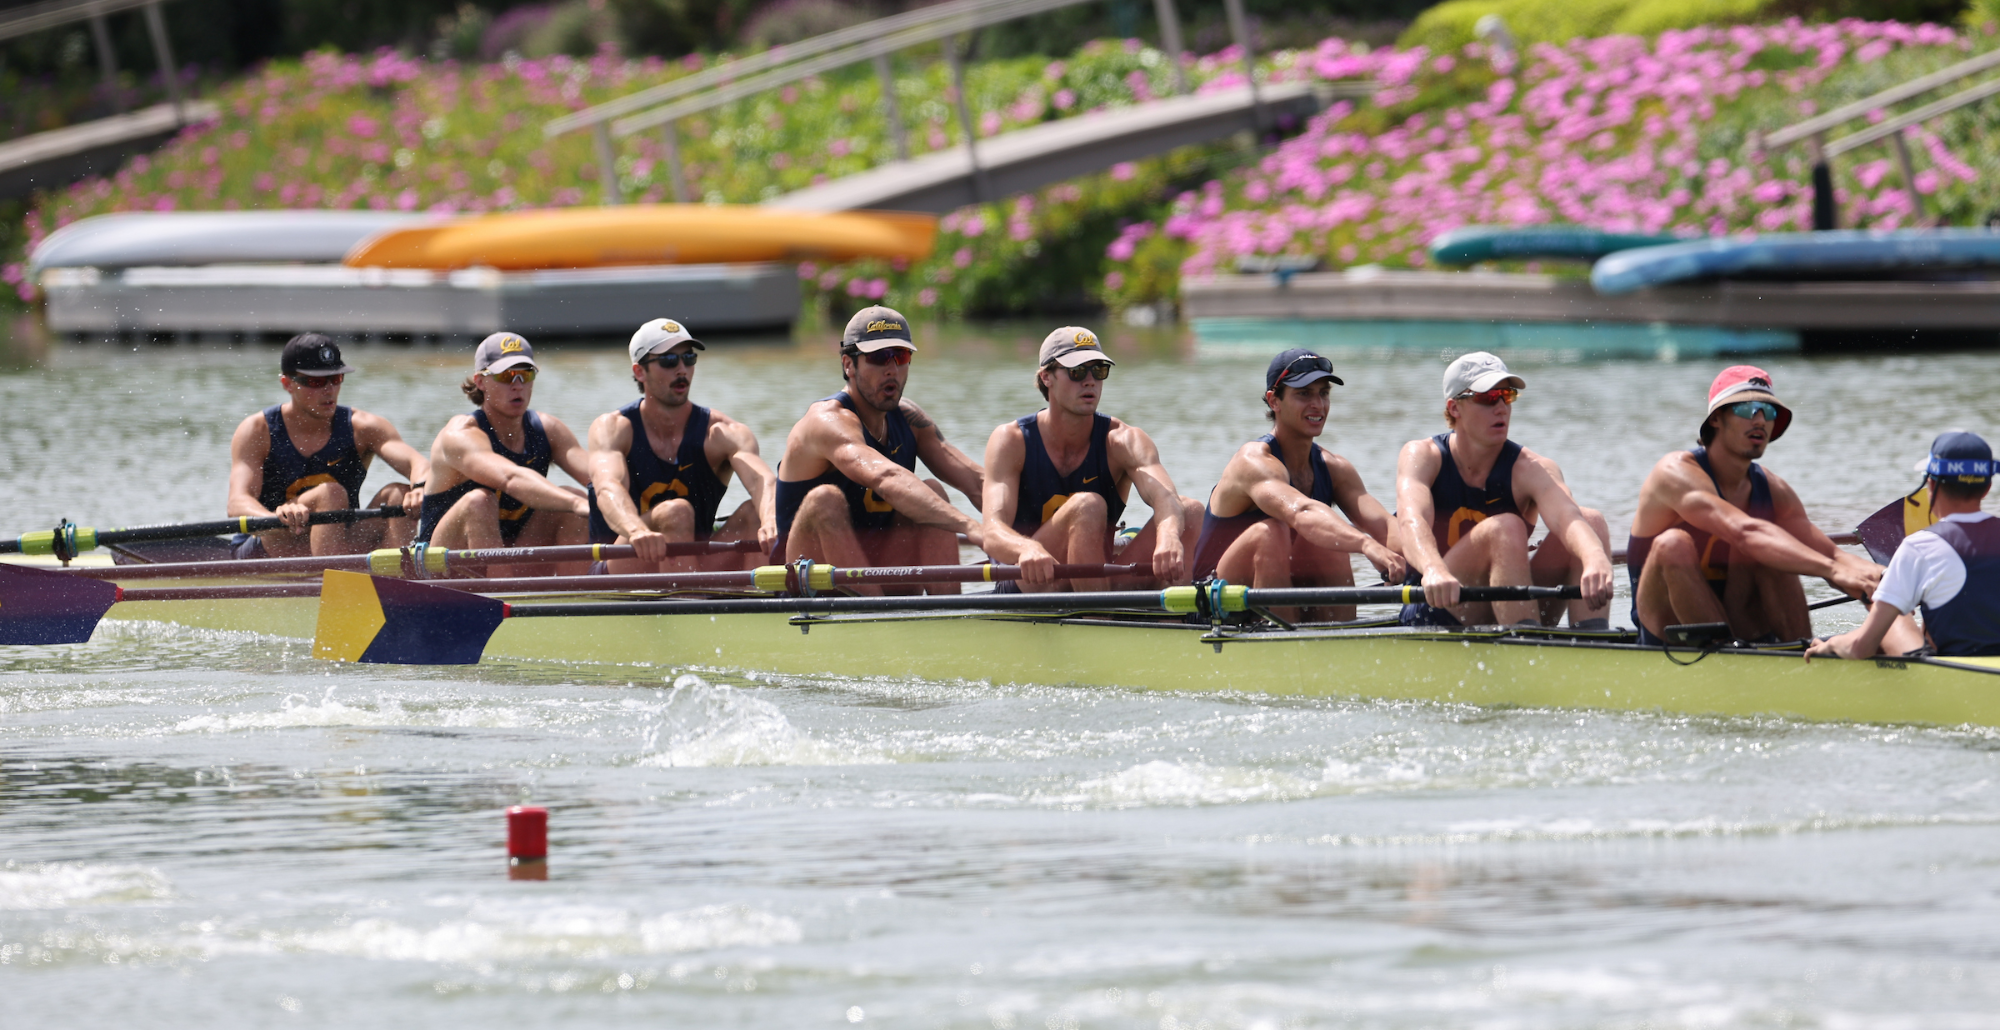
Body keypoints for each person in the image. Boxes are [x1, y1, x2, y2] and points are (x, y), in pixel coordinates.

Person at [1629, 365, 1879, 643]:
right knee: (1674, 544)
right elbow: (1745, 533)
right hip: (1666, 631)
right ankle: (1726, 663)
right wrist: (1833, 570)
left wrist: (1890, 578)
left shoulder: (1774, 490)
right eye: (1747, 410)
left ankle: (1799, 657)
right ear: (1716, 419)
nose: (1759, 420)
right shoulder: (1673, 473)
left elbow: (1833, 557)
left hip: (1738, 620)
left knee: (1775, 546)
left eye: (1768, 412)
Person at [770, 306, 984, 593]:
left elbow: (978, 484)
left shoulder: (911, 421)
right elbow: (886, 477)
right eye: (878, 357)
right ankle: (876, 619)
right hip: (805, 584)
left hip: (879, 572)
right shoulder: (826, 420)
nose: (891, 369)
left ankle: (950, 622)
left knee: (932, 491)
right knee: (825, 499)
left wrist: (1015, 536)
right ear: (848, 364)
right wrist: (972, 527)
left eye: (901, 356)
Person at [1395, 351, 1614, 629]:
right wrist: (1432, 568)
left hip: (1512, 603)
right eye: (1487, 398)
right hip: (1437, 606)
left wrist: (1594, 556)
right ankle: (1525, 648)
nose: (1501, 407)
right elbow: (1410, 522)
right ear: (1454, 408)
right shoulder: (1423, 456)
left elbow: (1567, 517)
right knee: (1505, 527)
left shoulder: (1533, 468)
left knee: (1591, 523)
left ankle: (1593, 646)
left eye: (1507, 396)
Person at [980, 327, 1203, 592]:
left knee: (1189, 512)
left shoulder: (1124, 440)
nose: (1089, 381)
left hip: (1097, 582)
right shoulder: (1012, 440)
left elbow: (1167, 500)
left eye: (1098, 371)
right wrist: (1027, 548)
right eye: (1077, 372)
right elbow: (992, 532)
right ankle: (1099, 618)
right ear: (1046, 377)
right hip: (1027, 583)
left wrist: (1168, 536)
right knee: (1087, 505)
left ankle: (1172, 622)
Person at [1191, 349, 1407, 622]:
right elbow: (1302, 512)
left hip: (1278, 597)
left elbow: (1386, 526)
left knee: (1334, 539)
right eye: (1304, 394)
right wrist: (1365, 544)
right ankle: (1288, 650)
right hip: (1215, 607)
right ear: (1274, 401)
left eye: (1324, 393)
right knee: (1273, 533)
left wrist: (1428, 561)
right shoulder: (1253, 461)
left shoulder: (1334, 467)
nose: (1318, 404)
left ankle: (1340, 642)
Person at [587, 318, 777, 574]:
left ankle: (762, 604)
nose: (681, 369)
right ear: (639, 371)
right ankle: (692, 600)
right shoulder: (613, 428)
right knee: (675, 512)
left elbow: (763, 482)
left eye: (688, 358)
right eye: (668, 360)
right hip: (623, 560)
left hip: (694, 562)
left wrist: (771, 519)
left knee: (757, 512)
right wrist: (636, 530)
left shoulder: (722, 432)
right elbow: (608, 488)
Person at [226, 333, 428, 558]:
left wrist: (419, 487)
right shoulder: (258, 430)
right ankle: (330, 581)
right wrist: (275, 518)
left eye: (336, 379)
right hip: (269, 543)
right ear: (287, 383)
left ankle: (396, 583)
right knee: (330, 494)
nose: (329, 390)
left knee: (398, 495)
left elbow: (417, 463)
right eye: (316, 382)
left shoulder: (365, 427)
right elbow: (237, 502)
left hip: (337, 539)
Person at [1810, 431, 1997, 659]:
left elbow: (1860, 649)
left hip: (1953, 680)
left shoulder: (1921, 546)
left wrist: (1832, 644)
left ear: (1930, 484)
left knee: (1892, 621)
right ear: (1987, 488)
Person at [417, 332, 590, 577]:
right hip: (446, 568)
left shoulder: (548, 429)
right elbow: (510, 478)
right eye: (506, 375)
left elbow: (600, 478)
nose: (517, 384)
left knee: (576, 498)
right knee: (480, 501)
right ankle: (503, 596)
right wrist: (580, 504)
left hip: (515, 554)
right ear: (480, 381)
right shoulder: (460, 434)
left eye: (525, 374)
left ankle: (577, 600)